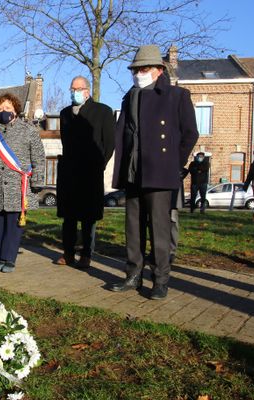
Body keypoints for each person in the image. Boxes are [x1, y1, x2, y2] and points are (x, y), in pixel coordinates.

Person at [110, 45, 198, 300]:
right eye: (135, 69)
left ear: (159, 70)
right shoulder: (130, 96)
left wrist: (174, 164)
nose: (138, 73)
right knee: (133, 228)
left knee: (159, 230)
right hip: (133, 171)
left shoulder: (177, 96)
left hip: (160, 173)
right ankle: (133, 275)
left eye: (144, 68)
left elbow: (190, 134)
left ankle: (160, 280)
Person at [0, 93, 45, 273]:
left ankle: (9, 258)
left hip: (18, 185)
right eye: (0, 109)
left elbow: (38, 157)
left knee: (13, 225)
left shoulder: (28, 130)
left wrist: (37, 180)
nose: (4, 111)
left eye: (7, 108)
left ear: (16, 110)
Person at [55, 76, 115, 268]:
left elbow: (109, 143)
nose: (75, 92)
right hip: (70, 173)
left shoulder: (103, 111)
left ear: (87, 91)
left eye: (78, 88)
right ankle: (68, 253)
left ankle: (87, 254)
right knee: (69, 218)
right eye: (72, 88)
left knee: (89, 218)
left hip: (90, 172)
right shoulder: (64, 113)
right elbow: (65, 141)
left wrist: (99, 163)